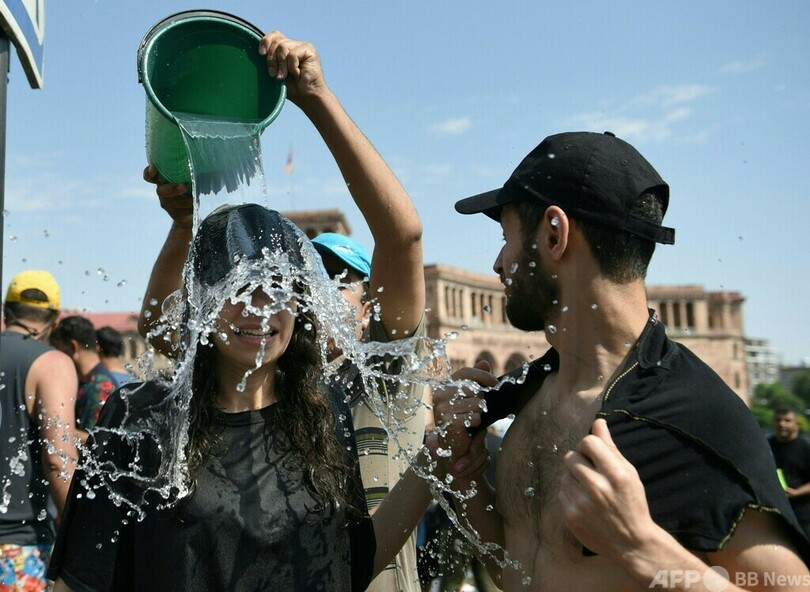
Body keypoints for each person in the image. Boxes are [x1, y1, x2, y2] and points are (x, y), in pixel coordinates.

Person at [432, 131, 810, 591]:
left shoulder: (694, 416)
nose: (498, 262)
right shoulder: (525, 393)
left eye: (507, 236)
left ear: (554, 235)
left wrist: (640, 547)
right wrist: (466, 476)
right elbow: (523, 570)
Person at [138, 31, 427, 592]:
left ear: (370, 296)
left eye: (345, 280)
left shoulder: (379, 378)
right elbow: (164, 329)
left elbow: (404, 235)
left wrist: (316, 97)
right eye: (314, 278)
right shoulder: (277, 378)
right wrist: (182, 226)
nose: (326, 291)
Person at [47, 204, 451, 592]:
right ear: (201, 297)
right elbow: (81, 578)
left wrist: (438, 459)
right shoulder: (141, 415)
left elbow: (352, 563)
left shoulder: (325, 411)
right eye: (239, 286)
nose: (260, 308)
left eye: (278, 287)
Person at [0, 270, 79, 591]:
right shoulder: (51, 364)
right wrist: (78, 537)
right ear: (55, 320)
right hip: (19, 549)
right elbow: (59, 459)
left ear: (6, 312)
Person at [49, 316, 118, 441]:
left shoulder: (99, 387)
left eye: (59, 351)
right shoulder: (89, 380)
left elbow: (98, 441)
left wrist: (53, 428)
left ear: (73, 347)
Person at [769, 408, 810, 538]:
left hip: (802, 515)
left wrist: (797, 492)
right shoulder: (765, 446)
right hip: (773, 513)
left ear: (796, 424)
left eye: (787, 420)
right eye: (778, 420)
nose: (782, 424)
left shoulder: (805, 448)